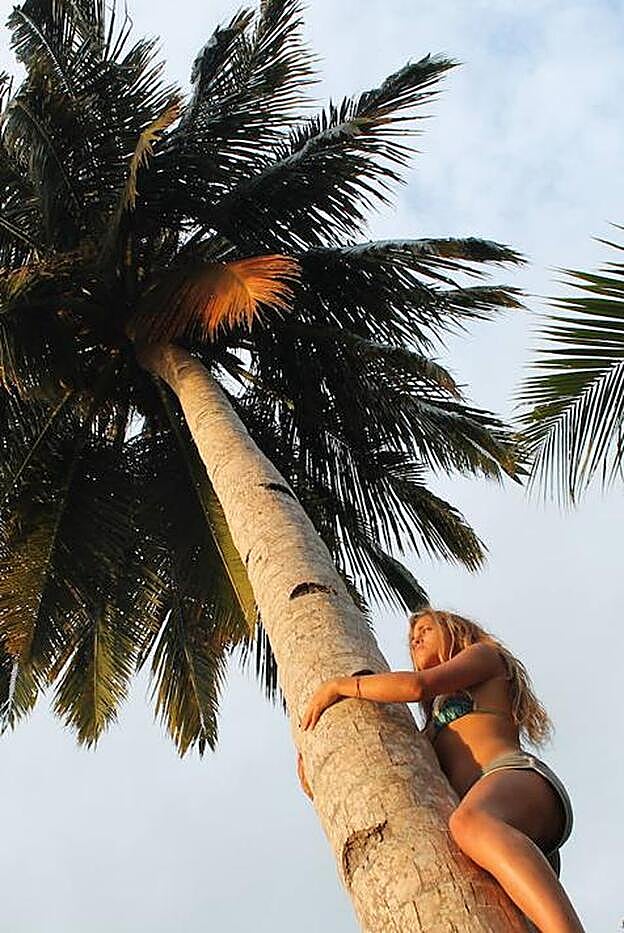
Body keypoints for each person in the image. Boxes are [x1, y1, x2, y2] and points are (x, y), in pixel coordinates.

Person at [298, 607, 584, 933]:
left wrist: (340, 686)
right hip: (494, 830)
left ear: (455, 630)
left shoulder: (485, 656)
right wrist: (320, 773)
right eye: (412, 638)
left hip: (513, 780)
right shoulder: (430, 729)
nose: (416, 638)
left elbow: (417, 686)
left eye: (426, 629)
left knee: (468, 821)